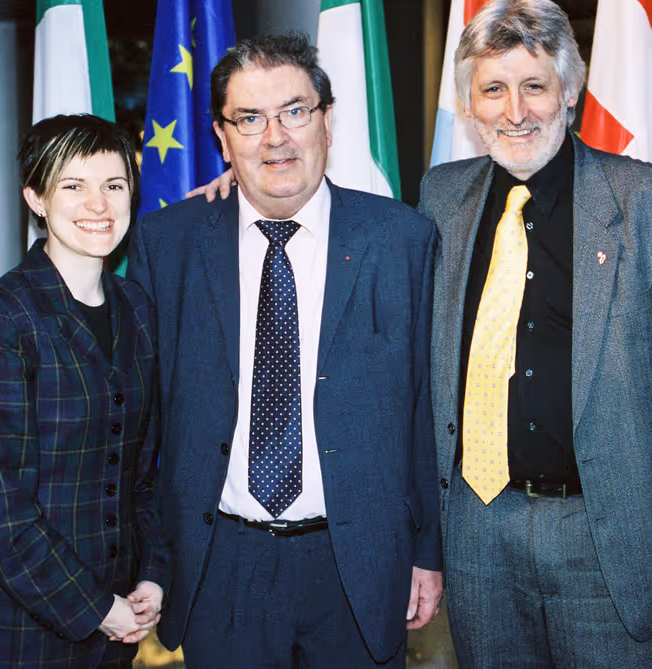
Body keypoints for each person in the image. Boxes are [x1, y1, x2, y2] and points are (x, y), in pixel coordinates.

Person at [417, 0, 652, 666]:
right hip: (478, 531)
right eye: (494, 89)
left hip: (610, 534)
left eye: (534, 85)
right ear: (470, 105)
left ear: (569, 92)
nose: (515, 110)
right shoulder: (440, 198)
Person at [125, 32, 442, 668]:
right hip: (220, 566)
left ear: (327, 120)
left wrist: (426, 552)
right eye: (249, 118)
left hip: (358, 562)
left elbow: (425, 409)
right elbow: (144, 417)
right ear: (222, 137)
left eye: (294, 111)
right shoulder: (168, 245)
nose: (275, 137)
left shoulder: (402, 239)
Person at [0, 114, 168, 668]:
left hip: (118, 620)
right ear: (36, 199)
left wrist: (154, 575)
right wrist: (94, 607)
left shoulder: (137, 310)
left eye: (114, 185)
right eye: (74, 186)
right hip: (13, 627)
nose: (99, 204)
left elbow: (143, 473)